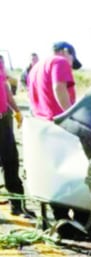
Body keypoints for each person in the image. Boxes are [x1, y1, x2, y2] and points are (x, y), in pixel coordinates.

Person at [0, 56, 34, 216]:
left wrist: (16, 110)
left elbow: (5, 88)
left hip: (4, 117)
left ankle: (18, 205)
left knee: (11, 162)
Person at [28, 41, 82, 120]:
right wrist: (71, 116)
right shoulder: (60, 61)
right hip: (57, 122)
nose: (71, 66)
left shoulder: (35, 69)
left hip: (40, 121)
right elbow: (58, 88)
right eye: (72, 60)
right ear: (65, 52)